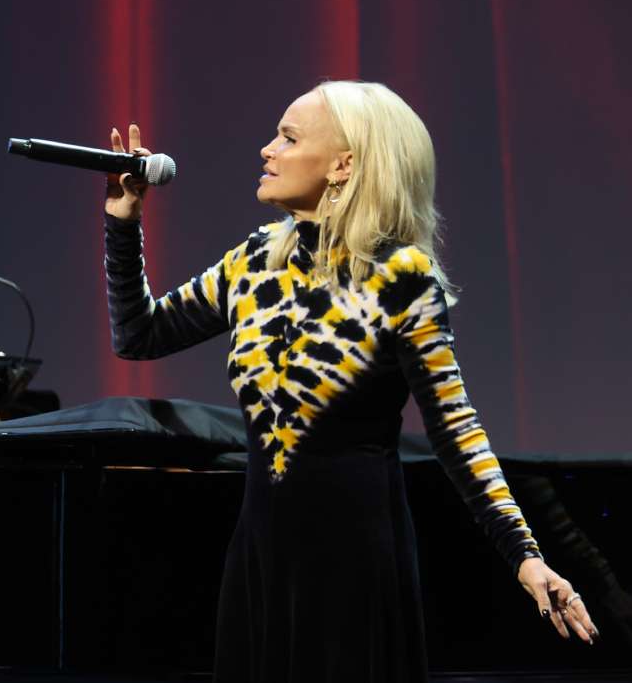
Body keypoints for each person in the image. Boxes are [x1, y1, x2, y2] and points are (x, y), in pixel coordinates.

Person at [101, 81, 598, 682]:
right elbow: (139, 335)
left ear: (344, 165)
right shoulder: (256, 260)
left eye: (287, 137)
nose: (267, 150)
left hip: (352, 564)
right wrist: (122, 223)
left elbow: (455, 429)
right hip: (260, 556)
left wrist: (525, 554)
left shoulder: (400, 278)